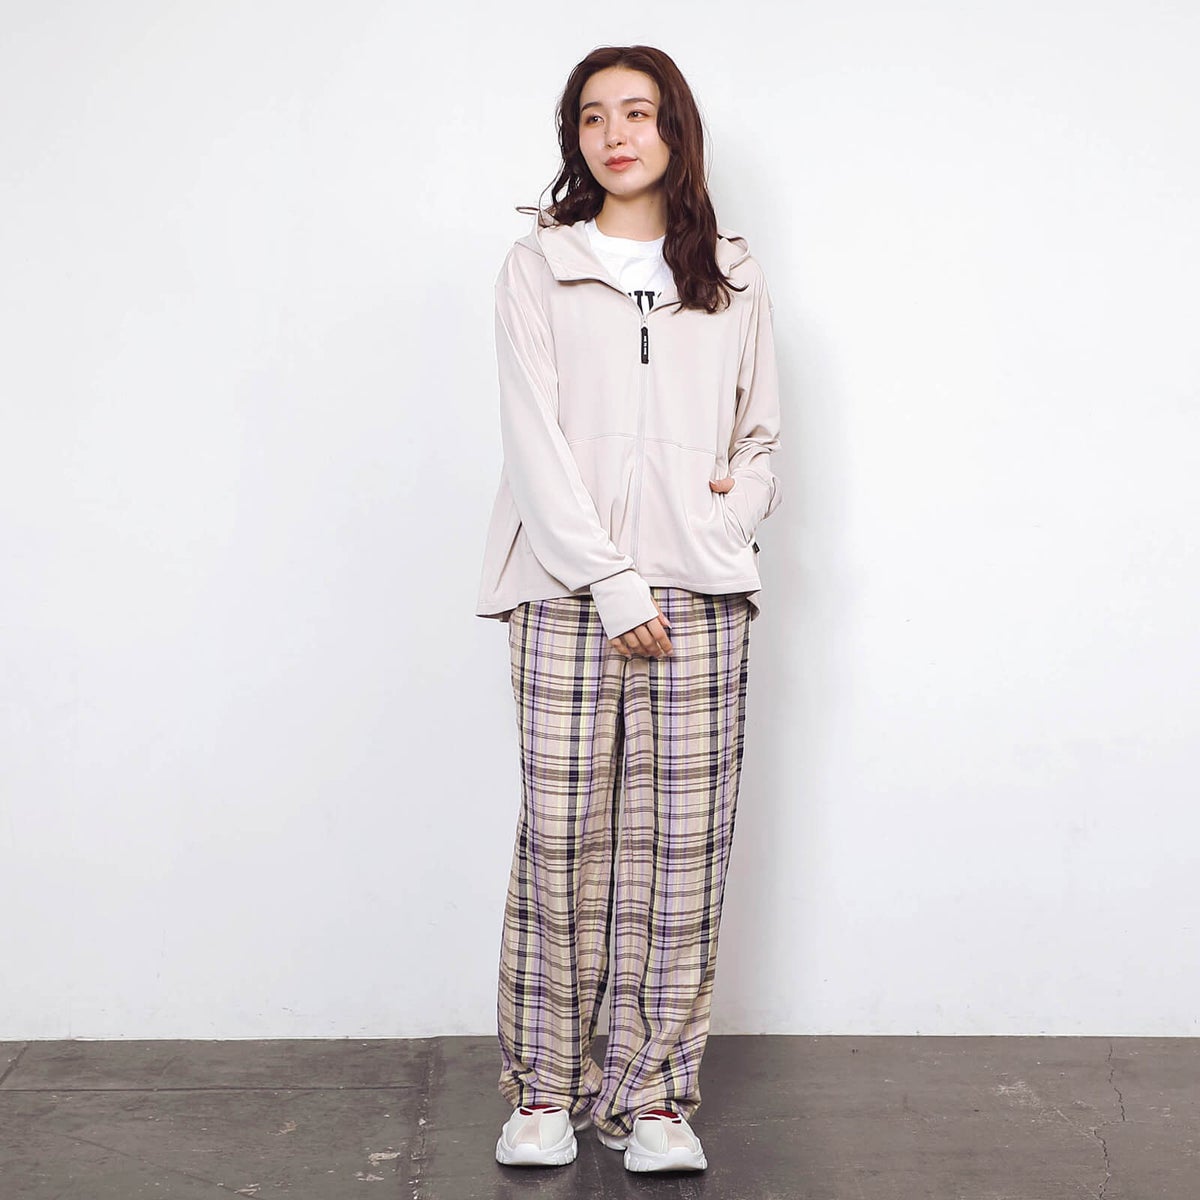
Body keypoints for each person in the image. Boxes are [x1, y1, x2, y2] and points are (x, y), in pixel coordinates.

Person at [475, 43, 783, 1174]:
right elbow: (533, 441)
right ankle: (544, 1090)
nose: (617, 134)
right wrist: (609, 582)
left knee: (683, 849)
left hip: (701, 597)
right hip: (567, 594)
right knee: (562, 840)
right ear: (575, 138)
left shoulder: (732, 274)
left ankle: (654, 1097)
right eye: (595, 116)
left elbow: (760, 435)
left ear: (674, 130)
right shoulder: (538, 267)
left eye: (638, 113)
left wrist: (733, 513)